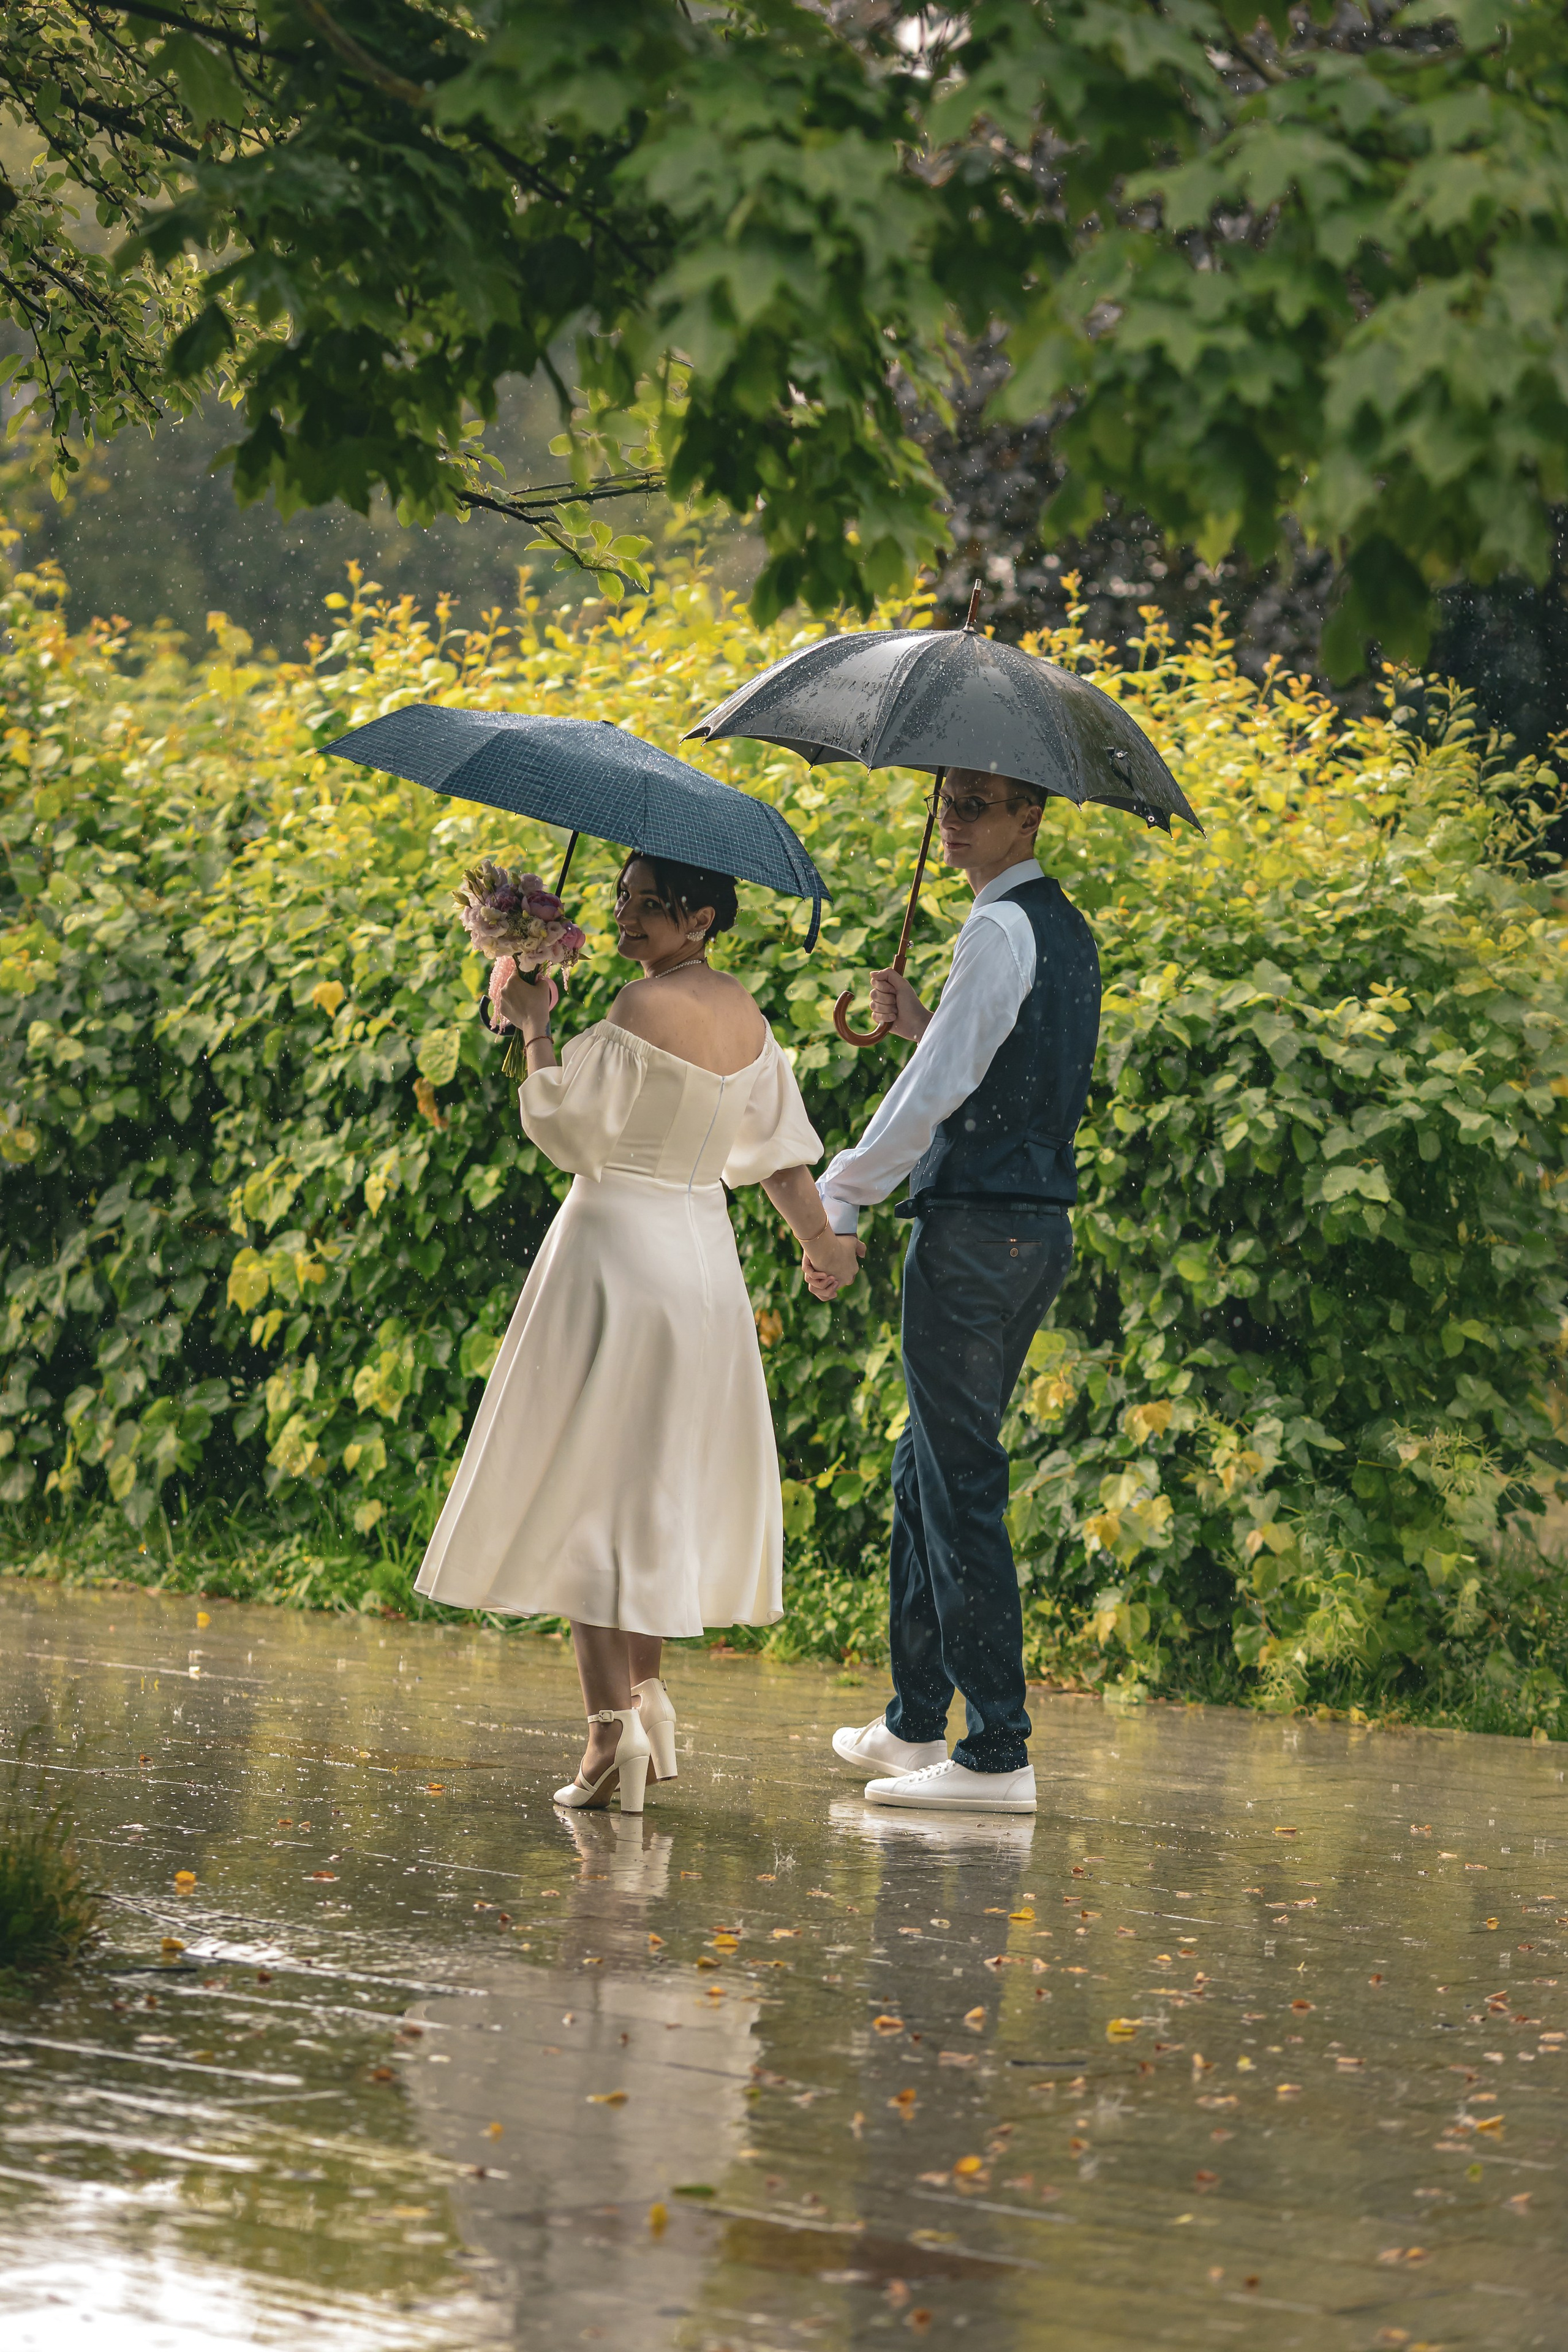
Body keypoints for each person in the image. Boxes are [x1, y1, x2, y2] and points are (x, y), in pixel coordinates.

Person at [415, 852, 843, 1815]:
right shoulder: (744, 1014)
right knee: (645, 1493)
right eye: (621, 902)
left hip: (614, 1254)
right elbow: (776, 1153)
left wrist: (534, 1030)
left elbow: (567, 1132)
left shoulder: (638, 1012)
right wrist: (821, 1242)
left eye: (652, 906)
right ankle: (645, 1704)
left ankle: (611, 1731)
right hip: (701, 1262)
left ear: (701, 918)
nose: (628, 918)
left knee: (588, 1493)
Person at [802, 771, 1101, 1815]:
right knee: (923, 1463)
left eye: (979, 803)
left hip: (978, 1236)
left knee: (959, 1476)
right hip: (1025, 1233)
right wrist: (922, 1018)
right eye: (950, 801)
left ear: (1031, 816)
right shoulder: (1057, 929)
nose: (954, 818)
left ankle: (997, 1754)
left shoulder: (999, 930)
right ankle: (915, 1718)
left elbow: (937, 1093)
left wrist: (840, 1189)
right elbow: (996, 1071)